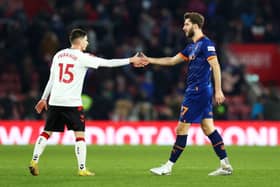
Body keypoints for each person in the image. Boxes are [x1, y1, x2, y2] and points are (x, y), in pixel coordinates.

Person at [29, 28, 148, 176]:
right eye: (86, 40)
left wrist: (43, 98)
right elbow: (108, 63)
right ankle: (82, 169)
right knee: (80, 135)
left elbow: (51, 79)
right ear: (79, 42)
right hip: (72, 102)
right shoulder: (82, 57)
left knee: (47, 132)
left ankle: (34, 160)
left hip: (55, 100)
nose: (88, 42)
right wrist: (130, 60)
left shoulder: (58, 55)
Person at [144, 12, 233, 176]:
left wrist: (219, 90)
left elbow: (216, 65)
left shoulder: (206, 44)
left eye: (186, 24)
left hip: (198, 92)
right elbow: (171, 60)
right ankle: (225, 165)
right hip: (198, 91)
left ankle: (168, 167)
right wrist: (149, 60)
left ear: (196, 26)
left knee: (181, 129)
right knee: (208, 128)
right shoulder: (191, 46)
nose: (183, 27)